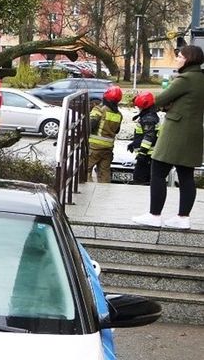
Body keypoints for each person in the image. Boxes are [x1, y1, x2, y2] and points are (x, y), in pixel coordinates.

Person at [133, 45, 204, 229]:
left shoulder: (185, 79)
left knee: (157, 170)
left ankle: (154, 215)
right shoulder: (200, 78)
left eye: (180, 56)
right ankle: (183, 218)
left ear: (188, 59)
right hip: (193, 131)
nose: (178, 59)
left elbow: (160, 100)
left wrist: (164, 105)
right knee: (186, 174)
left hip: (176, 130)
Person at [87, 85, 124, 183]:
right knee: (104, 173)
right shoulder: (119, 114)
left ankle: (89, 192)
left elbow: (90, 125)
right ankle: (103, 193)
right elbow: (116, 130)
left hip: (94, 148)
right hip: (108, 149)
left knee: (86, 171)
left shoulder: (99, 109)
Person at [128, 91, 159, 186]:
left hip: (147, 156)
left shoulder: (148, 119)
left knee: (139, 180)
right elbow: (144, 135)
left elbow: (148, 137)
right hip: (148, 155)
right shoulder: (149, 116)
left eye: (139, 106)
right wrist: (134, 143)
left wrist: (142, 153)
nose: (138, 108)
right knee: (142, 180)